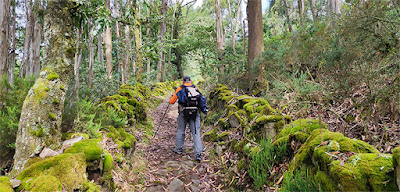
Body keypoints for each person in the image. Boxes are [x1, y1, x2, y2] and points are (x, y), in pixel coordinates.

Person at [169, 76, 207, 161]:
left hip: (183, 112)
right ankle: (198, 153)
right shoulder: (195, 88)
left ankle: (178, 149)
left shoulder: (180, 88)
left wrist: (172, 97)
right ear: (190, 81)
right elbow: (201, 99)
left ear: (183, 82)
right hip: (195, 113)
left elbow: (172, 102)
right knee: (196, 132)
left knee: (181, 130)